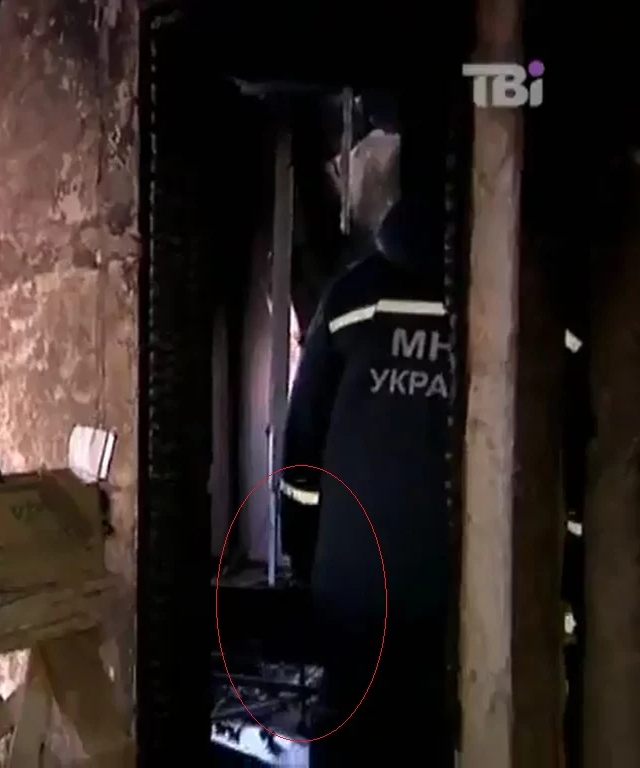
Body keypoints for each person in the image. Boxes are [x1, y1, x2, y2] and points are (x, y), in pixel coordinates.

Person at [280, 194, 456, 766]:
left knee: (349, 727)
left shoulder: (350, 299)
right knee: (438, 732)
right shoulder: (507, 299)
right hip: (458, 591)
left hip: (353, 584)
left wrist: (304, 558)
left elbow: (302, 445)